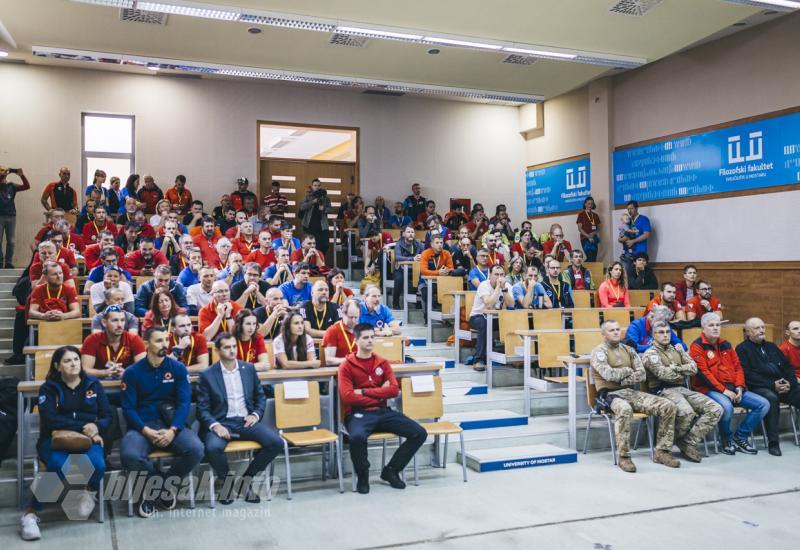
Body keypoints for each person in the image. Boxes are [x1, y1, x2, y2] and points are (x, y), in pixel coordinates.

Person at [19, 346, 110, 541]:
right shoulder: (49, 388)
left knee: (99, 464)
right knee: (58, 465)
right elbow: (51, 419)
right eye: (67, 361)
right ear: (57, 366)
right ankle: (31, 513)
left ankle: (90, 492)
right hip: (54, 439)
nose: (74, 364)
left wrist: (96, 427)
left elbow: (107, 415)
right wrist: (85, 426)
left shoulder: (93, 384)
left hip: (87, 439)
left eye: (76, 359)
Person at [120, 327, 204, 518]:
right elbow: (128, 409)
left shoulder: (178, 368)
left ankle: (156, 490)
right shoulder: (132, 373)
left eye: (166, 340)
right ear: (146, 343)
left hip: (171, 423)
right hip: (143, 425)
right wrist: (145, 430)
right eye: (159, 341)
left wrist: (174, 430)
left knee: (196, 449)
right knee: (129, 455)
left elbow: (184, 403)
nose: (165, 345)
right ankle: (160, 487)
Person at [339, 323, 427, 493]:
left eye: (372, 337)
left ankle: (391, 471)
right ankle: (363, 476)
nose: (370, 340)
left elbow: (393, 390)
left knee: (419, 432)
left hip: (383, 412)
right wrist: (380, 392)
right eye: (365, 338)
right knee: (356, 438)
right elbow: (348, 396)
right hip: (358, 414)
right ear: (356, 340)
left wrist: (364, 391)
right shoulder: (346, 366)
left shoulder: (382, 363)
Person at [197, 332, 282, 505]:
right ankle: (227, 484)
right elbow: (202, 409)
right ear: (218, 350)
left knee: (276, 443)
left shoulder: (248, 369)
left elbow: (260, 397)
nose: (232, 350)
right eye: (227, 347)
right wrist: (215, 426)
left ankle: (245, 481)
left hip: (245, 421)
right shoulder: (207, 375)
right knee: (212, 447)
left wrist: (255, 414)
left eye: (234, 346)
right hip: (222, 422)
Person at [590, 320, 680, 472]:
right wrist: (627, 370)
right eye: (612, 330)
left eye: (618, 329)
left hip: (630, 392)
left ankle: (662, 452)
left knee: (668, 406)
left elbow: (642, 375)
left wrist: (622, 377)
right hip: (610, 395)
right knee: (624, 410)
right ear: (603, 334)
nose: (616, 332)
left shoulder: (629, 350)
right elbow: (608, 374)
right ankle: (624, 457)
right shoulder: (599, 352)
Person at [689, 313, 769, 455]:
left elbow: (738, 367)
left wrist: (739, 387)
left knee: (763, 404)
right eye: (711, 325)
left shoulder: (726, 344)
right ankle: (726, 439)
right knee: (726, 407)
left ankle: (740, 436)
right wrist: (724, 391)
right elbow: (704, 374)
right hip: (708, 389)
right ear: (703, 327)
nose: (715, 328)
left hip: (732, 388)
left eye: (718, 325)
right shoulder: (697, 346)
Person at [642, 321, 723, 463]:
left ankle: (688, 441)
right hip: (663, 390)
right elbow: (663, 375)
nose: (665, 335)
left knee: (715, 408)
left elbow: (693, 369)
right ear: (654, 335)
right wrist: (681, 370)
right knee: (686, 412)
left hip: (682, 389)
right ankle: (667, 446)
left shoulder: (677, 349)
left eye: (668, 332)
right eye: (661, 332)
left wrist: (675, 368)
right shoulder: (651, 354)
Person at [736, 317, 800, 457]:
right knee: (771, 398)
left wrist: (790, 382)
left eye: (762, 327)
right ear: (747, 332)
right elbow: (747, 375)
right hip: (759, 387)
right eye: (757, 328)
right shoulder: (742, 349)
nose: (761, 330)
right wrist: (772, 385)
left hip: (782, 385)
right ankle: (773, 442)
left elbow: (787, 367)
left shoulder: (771, 346)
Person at [469, 264, 514, 372]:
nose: (499, 277)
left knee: (515, 322)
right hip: (478, 316)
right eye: (496, 274)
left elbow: (511, 304)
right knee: (485, 324)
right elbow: (488, 304)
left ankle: (514, 358)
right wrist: (498, 287)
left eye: (502, 274)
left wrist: (504, 290)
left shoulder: (507, 285)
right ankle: (479, 360)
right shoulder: (484, 285)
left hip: (496, 317)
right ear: (490, 275)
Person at [81, 306, 147, 378]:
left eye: (122, 320)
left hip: (128, 383)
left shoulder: (134, 339)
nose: (119, 325)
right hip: (99, 384)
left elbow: (143, 369)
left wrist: (126, 373)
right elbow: (85, 370)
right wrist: (104, 373)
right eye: (115, 320)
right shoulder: (92, 340)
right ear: (104, 322)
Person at [418, 234, 453, 321]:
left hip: (442, 283)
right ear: (432, 244)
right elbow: (423, 271)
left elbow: (451, 268)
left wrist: (446, 271)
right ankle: (427, 318)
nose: (440, 245)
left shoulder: (447, 253)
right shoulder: (425, 253)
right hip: (425, 282)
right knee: (426, 293)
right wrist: (438, 273)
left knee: (449, 292)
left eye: (441, 242)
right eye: (437, 242)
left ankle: (446, 318)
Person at [0, 166, 30, 268]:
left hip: (11, 216)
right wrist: (3, 176)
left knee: (11, 241)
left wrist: (21, 175)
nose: (3, 174)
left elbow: (26, 186)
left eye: (3, 171)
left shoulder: (11, 185)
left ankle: (8, 262)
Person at [391, 225, 423, 309]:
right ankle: (395, 302)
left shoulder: (418, 244)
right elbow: (398, 257)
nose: (411, 234)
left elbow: (425, 254)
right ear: (404, 234)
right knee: (399, 279)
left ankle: (418, 302)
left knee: (421, 277)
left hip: (414, 269)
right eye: (408, 232)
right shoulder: (399, 244)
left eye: (412, 232)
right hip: (400, 269)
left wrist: (421, 256)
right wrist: (412, 259)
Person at [322, 298, 359, 366]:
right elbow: (329, 360)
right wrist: (350, 360)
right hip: (340, 370)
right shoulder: (332, 331)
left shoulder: (361, 330)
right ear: (343, 314)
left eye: (356, 317)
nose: (353, 321)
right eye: (350, 317)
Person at [299, 178, 332, 255]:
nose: (317, 187)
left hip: (322, 225)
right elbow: (302, 207)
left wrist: (324, 208)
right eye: (315, 185)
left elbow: (330, 209)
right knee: (311, 245)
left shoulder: (326, 198)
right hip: (310, 225)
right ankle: (311, 262)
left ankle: (320, 259)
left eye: (318, 185)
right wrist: (312, 202)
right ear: (312, 186)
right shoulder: (308, 197)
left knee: (325, 244)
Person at [576, 196, 600, 262]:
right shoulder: (581, 214)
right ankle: (583, 270)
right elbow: (580, 229)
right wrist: (588, 236)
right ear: (585, 204)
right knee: (590, 257)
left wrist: (593, 233)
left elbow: (598, 229)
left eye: (592, 204)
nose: (590, 205)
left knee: (594, 258)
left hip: (594, 238)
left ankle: (590, 271)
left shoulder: (595, 215)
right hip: (585, 238)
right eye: (588, 203)